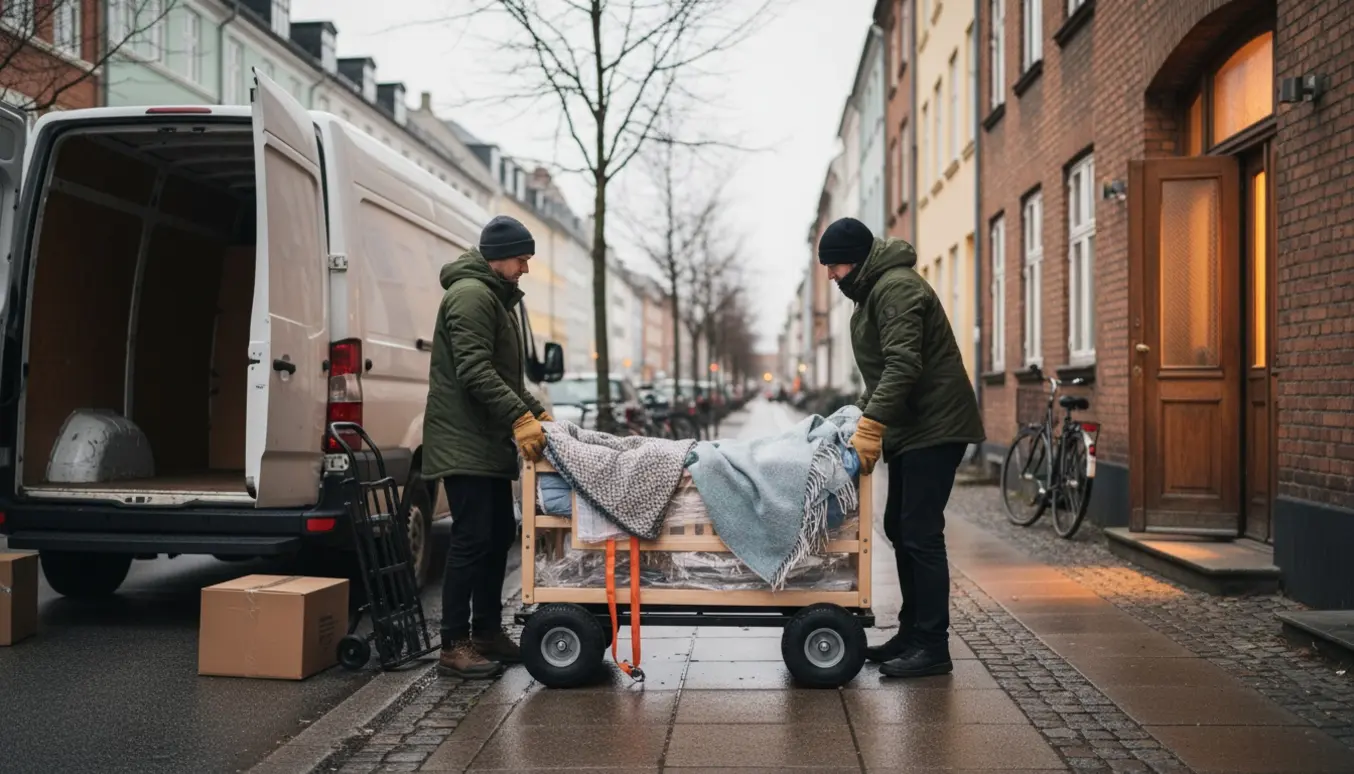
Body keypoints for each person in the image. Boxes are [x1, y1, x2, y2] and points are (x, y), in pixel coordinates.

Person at [817, 216, 985, 679]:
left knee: (920, 531)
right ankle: (912, 634)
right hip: (914, 429)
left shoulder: (896, 288)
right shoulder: (874, 290)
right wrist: (860, 412)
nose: (831, 276)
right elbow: (885, 374)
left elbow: (904, 365)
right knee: (899, 525)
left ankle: (932, 646)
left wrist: (871, 423)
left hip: (936, 427)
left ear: (855, 260)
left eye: (834, 266)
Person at [422, 215, 552, 679]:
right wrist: (520, 417)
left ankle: (486, 632)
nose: (525, 268)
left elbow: (502, 374)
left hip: (484, 441)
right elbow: (474, 372)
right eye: (522, 259)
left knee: (498, 534)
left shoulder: (493, 296)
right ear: (500, 256)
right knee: (473, 539)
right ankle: (454, 646)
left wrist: (536, 410)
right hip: (465, 441)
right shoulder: (472, 296)